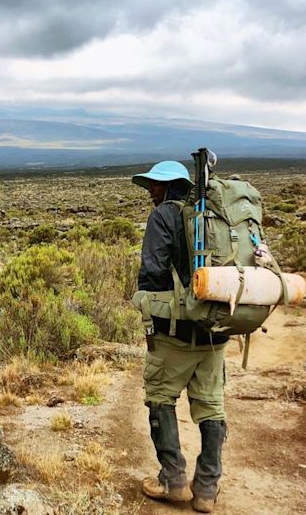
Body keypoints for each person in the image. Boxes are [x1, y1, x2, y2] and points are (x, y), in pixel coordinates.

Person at [131, 161, 228, 513]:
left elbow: (154, 270)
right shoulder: (213, 218)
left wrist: (152, 302)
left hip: (175, 332)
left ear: (173, 186)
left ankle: (173, 482)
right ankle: (206, 489)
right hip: (215, 330)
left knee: (161, 399)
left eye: (156, 185)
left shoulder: (164, 216)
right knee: (211, 406)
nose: (151, 192)